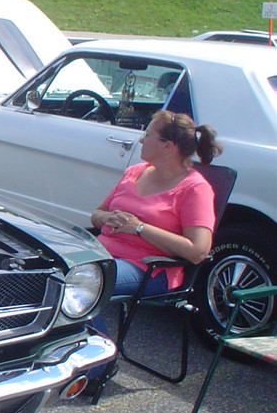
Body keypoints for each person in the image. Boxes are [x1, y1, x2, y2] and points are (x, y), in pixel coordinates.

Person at [90, 110, 221, 320]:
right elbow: (97, 214)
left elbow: (198, 251)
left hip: (149, 268)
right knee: (51, 273)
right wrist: (107, 218)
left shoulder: (194, 189)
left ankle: (95, 349)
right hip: (103, 255)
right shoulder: (135, 172)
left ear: (167, 146)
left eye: (148, 135)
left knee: (85, 284)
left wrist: (140, 228)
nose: (141, 139)